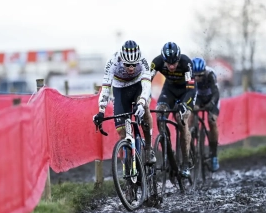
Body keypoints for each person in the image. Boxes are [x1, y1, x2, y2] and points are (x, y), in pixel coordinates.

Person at [93, 40, 156, 164]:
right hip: (120, 89)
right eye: (127, 65)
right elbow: (106, 87)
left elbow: (146, 84)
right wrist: (101, 111)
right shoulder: (112, 62)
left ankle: (149, 148)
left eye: (134, 64)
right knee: (122, 133)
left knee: (145, 108)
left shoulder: (143, 59)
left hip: (138, 86)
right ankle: (127, 169)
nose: (131, 68)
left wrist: (142, 101)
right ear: (122, 60)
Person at [150, 42, 196, 178]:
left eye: (174, 63)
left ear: (179, 58)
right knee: (160, 115)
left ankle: (186, 162)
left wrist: (184, 105)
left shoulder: (186, 63)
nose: (171, 66)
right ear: (163, 59)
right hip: (169, 90)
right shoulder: (156, 62)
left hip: (186, 92)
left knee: (181, 120)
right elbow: (146, 82)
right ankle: (169, 151)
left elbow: (191, 89)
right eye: (168, 64)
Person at [192, 57, 220, 171]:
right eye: (195, 75)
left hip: (212, 98)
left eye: (200, 75)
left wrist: (211, 103)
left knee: (211, 121)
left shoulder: (210, 74)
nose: (197, 78)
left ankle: (214, 155)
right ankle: (190, 145)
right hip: (198, 98)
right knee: (189, 117)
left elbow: (216, 93)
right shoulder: (188, 74)